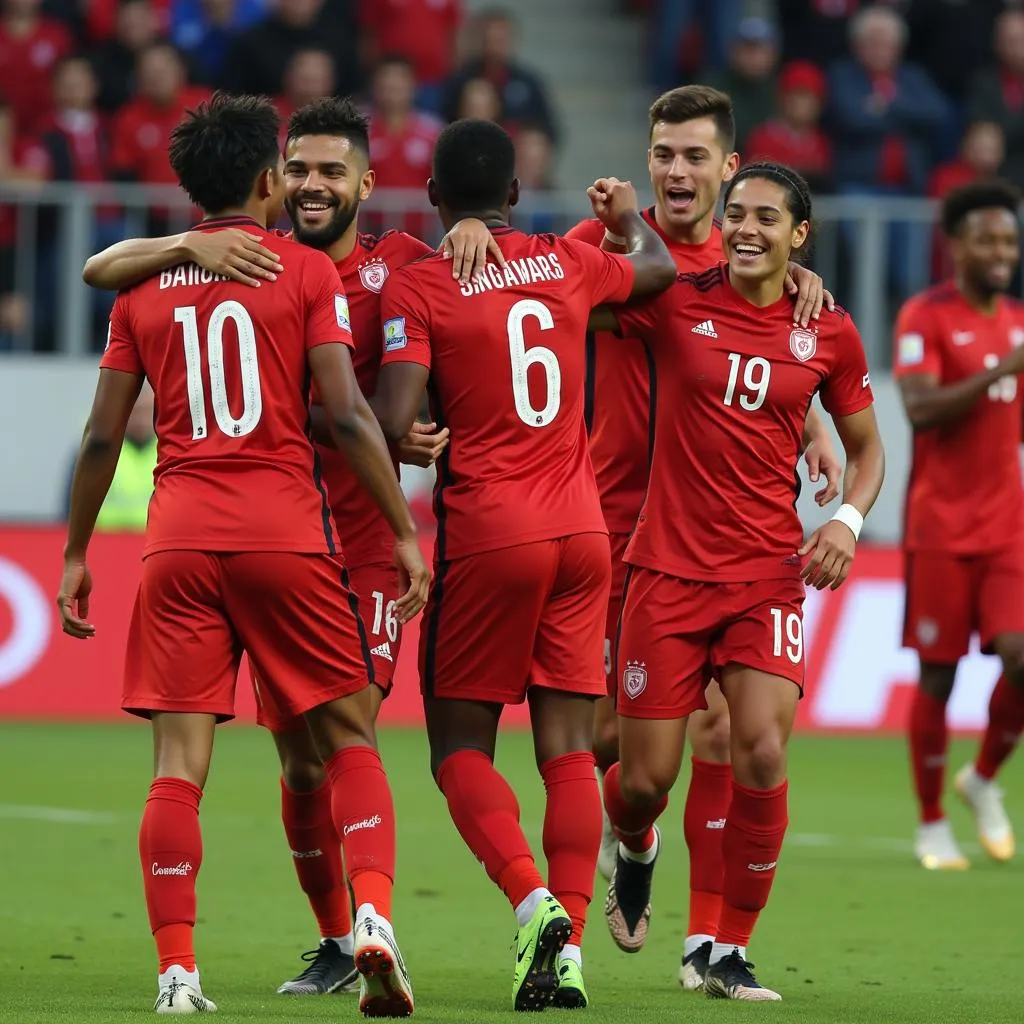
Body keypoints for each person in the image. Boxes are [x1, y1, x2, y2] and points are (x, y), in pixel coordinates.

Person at [81, 96, 499, 997]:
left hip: (180, 539)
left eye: (329, 172)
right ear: (270, 180)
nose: (306, 185)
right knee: (348, 740)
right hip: (287, 535)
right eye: (294, 171)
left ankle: (178, 973)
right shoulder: (301, 272)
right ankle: (370, 917)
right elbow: (350, 416)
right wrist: (403, 526)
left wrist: (77, 553)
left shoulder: (142, 286)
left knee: (179, 768)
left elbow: (98, 438)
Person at [370, 118, 677, 1011]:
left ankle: (530, 899)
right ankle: (569, 951)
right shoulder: (568, 262)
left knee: (459, 748)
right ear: (513, 195)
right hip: (583, 535)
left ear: (431, 199)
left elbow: (391, 417)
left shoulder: (424, 285)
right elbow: (658, 274)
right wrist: (627, 222)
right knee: (569, 756)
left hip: (490, 534)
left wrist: (415, 430)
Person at [568, 85, 842, 991]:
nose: (677, 171)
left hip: (732, 544)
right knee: (621, 749)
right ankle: (632, 837)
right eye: (664, 155)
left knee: (732, 733)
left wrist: (812, 428)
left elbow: (772, 363)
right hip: (614, 528)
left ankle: (710, 943)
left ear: (729, 169)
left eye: (696, 157)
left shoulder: (762, 259)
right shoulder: (605, 248)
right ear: (648, 161)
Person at [894, 179, 1024, 871]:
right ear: (957, 244)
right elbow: (919, 409)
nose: (1001, 251)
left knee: (1023, 658)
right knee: (939, 678)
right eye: (988, 238)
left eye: (1009, 238)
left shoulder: (1016, 321)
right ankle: (932, 821)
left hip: (1008, 529)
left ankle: (982, 779)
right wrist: (1004, 367)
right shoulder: (926, 316)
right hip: (940, 527)